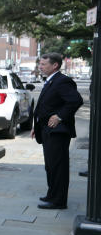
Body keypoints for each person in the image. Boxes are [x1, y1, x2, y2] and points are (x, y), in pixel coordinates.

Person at [31, 52, 83, 210]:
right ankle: (52, 194)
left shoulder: (62, 81)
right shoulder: (51, 80)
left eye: (43, 64)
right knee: (50, 166)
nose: (40, 67)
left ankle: (58, 201)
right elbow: (44, 106)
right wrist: (37, 125)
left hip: (57, 132)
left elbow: (75, 101)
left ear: (55, 65)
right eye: (40, 64)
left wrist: (59, 116)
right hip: (47, 130)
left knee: (58, 167)